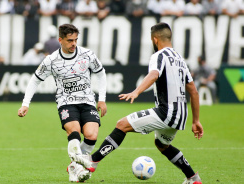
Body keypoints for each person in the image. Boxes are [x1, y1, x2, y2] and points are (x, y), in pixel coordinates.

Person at [70, 22, 204, 184]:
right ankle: (193, 177)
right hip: (181, 114)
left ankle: (93, 161)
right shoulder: (180, 60)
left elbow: (154, 74)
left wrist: (136, 91)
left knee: (122, 125)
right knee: (162, 145)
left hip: (166, 111)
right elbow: (194, 92)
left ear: (155, 40)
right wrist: (196, 121)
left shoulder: (159, 56)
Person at [17, 24, 107, 182]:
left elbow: (101, 73)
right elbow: (34, 81)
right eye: (70, 40)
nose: (74, 44)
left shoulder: (87, 54)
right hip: (66, 103)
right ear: (60, 40)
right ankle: (81, 164)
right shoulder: (51, 60)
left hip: (87, 101)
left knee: (91, 135)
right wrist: (26, 104)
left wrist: (102, 99)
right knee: (74, 131)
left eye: (76, 40)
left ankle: (74, 166)